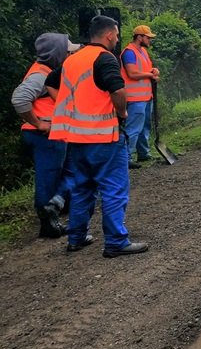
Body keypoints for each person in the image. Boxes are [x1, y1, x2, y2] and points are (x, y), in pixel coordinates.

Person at [48, 15, 148, 257]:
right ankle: (115, 241)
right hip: (105, 137)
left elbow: (51, 83)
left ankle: (76, 238)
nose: (115, 38)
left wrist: (72, 110)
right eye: (115, 33)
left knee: (83, 189)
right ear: (110, 35)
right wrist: (122, 112)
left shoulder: (72, 61)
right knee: (114, 188)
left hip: (76, 138)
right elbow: (118, 89)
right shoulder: (105, 58)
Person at [11, 33, 80, 238]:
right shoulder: (41, 75)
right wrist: (38, 122)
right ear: (57, 53)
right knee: (48, 179)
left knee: (67, 172)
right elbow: (19, 99)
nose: (70, 55)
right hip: (45, 135)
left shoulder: (48, 71)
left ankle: (56, 208)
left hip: (51, 134)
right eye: (67, 51)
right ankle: (48, 224)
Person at [120, 25, 160, 168]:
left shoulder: (142, 51)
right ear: (139, 37)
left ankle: (143, 153)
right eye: (148, 37)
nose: (149, 40)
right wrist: (150, 75)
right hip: (135, 98)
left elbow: (145, 69)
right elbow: (132, 73)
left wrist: (153, 70)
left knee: (144, 127)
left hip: (145, 96)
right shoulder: (129, 52)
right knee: (133, 128)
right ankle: (127, 157)